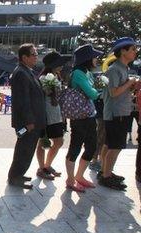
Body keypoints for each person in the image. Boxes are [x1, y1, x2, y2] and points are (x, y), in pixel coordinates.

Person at [100, 37, 140, 190]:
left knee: (109, 144)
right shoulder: (114, 69)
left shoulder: (124, 68)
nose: (135, 52)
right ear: (123, 51)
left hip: (121, 111)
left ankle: (105, 171)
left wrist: (131, 85)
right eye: (132, 50)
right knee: (114, 147)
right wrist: (130, 83)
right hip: (116, 113)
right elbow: (114, 92)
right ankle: (106, 176)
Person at [64, 44, 103, 192]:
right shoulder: (78, 73)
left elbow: (92, 90)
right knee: (75, 147)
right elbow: (92, 93)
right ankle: (70, 178)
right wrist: (99, 88)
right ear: (87, 58)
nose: (96, 59)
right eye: (94, 57)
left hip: (89, 114)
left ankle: (79, 176)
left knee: (91, 146)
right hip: (79, 116)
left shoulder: (87, 72)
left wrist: (96, 89)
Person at [7, 43, 46, 189]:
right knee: (24, 149)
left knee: (27, 149)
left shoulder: (27, 71)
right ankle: (15, 176)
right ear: (24, 57)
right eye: (34, 54)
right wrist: (29, 121)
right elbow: (23, 100)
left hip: (33, 120)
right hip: (28, 122)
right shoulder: (21, 73)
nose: (36, 57)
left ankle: (19, 173)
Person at [35, 52, 70, 180]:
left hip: (56, 114)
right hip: (46, 114)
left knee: (59, 141)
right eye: (59, 63)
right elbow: (45, 94)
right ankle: (41, 168)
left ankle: (47, 165)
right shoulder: (44, 78)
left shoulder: (57, 76)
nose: (62, 65)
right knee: (43, 141)